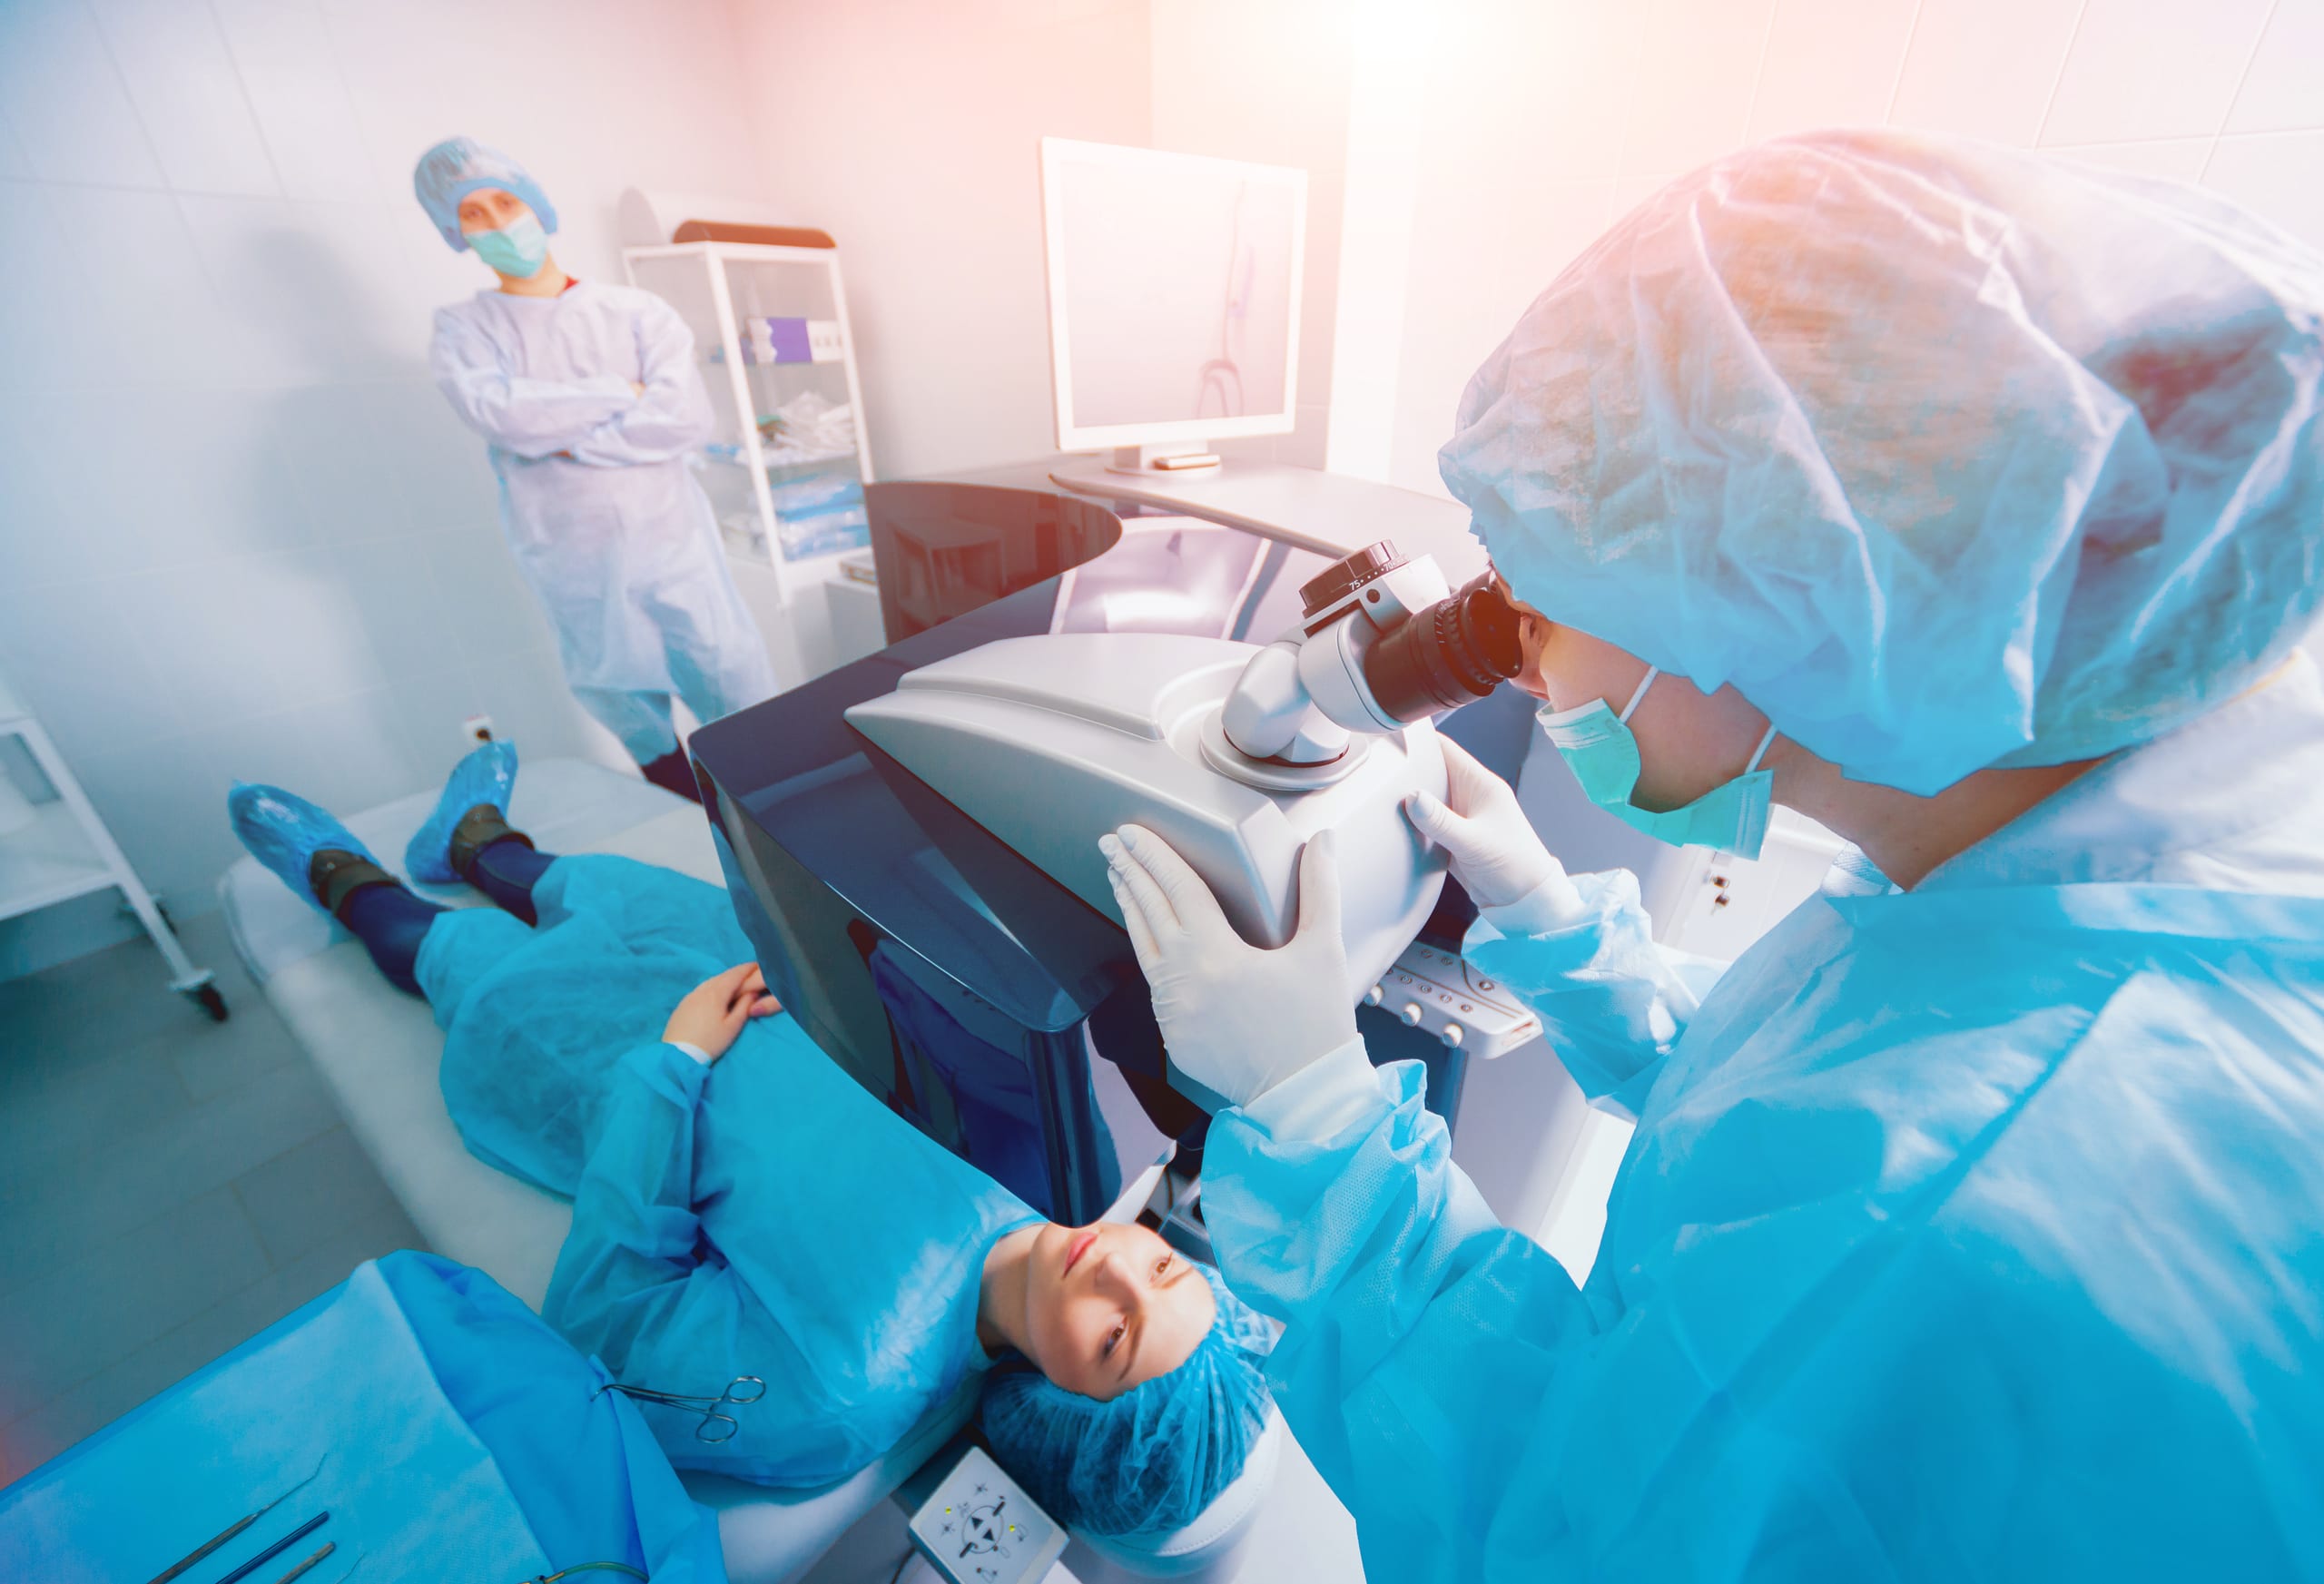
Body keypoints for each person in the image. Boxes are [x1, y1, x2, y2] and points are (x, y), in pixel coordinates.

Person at [1099, 130, 2324, 1580]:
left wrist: (1313, 1126)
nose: (1518, 646)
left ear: (1791, 582)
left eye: (1546, 577)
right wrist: (1558, 927)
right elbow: (1812, 1107)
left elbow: (1553, 1534)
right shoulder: (2088, 869)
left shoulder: (1953, 1225)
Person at [224, 743, 1271, 1539]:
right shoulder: (1067, 1161)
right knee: (583, 884)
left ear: (1051, 1403)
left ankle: (346, 880)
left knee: (471, 959)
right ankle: (476, 839)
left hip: (613, 1056)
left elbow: (606, 1323)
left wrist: (672, 1065)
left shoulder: (833, 1394)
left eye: (1112, 1335)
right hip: (740, 958)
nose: (1119, 1265)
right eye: (1165, 1266)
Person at [413, 137, 777, 803]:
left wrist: (557, 438)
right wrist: (617, 393)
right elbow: (499, 414)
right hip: (572, 558)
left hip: (672, 547)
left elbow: (682, 419)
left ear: (537, 206)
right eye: (474, 215)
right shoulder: (464, 328)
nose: (497, 224)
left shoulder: (636, 313)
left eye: (505, 202)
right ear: (452, 231)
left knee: (735, 689)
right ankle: (694, 820)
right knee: (629, 708)